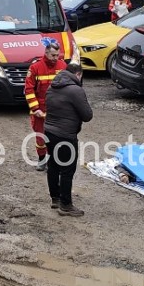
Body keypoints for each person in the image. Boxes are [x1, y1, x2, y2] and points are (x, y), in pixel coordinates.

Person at [43, 62, 93, 216]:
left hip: (48, 132)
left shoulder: (52, 86)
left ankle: (55, 198)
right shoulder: (75, 90)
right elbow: (87, 115)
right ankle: (65, 205)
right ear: (78, 74)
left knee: (53, 164)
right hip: (65, 135)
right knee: (67, 169)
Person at [24, 42, 68, 171]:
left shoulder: (62, 66)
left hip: (57, 109)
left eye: (57, 55)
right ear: (46, 53)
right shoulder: (35, 67)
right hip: (40, 109)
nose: (55, 58)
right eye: (53, 55)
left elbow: (67, 87)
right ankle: (42, 159)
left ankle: (52, 161)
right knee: (41, 137)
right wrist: (35, 109)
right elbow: (29, 89)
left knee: (56, 137)